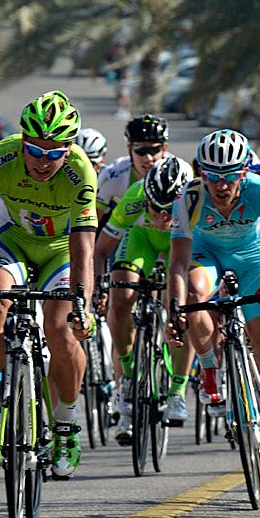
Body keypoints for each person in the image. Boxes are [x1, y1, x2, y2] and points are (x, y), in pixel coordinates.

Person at [0, 90, 97, 478]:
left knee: (62, 330)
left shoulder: (80, 172)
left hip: (60, 251)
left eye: (54, 153)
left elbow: (84, 249)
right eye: (35, 150)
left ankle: (65, 424)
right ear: (23, 143)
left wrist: (85, 304)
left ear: (68, 150)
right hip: (11, 239)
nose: (43, 161)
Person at [166, 130, 260, 427]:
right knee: (194, 295)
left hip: (252, 259)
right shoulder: (188, 197)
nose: (221, 185)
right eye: (212, 175)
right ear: (201, 172)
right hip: (206, 254)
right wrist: (174, 311)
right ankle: (209, 367)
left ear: (244, 171)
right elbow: (178, 263)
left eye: (231, 176)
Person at [93, 157, 193, 442]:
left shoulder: (195, 201)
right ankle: (126, 378)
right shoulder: (135, 197)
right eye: (156, 208)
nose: (162, 218)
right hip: (141, 241)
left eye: (169, 210)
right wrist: (101, 289)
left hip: (181, 244)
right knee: (121, 298)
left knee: (182, 311)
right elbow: (100, 251)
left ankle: (176, 390)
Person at [96, 115, 190, 231]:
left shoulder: (181, 173)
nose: (148, 158)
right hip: (127, 234)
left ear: (164, 148)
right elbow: (93, 222)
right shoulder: (113, 175)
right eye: (141, 151)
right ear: (129, 149)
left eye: (154, 150)